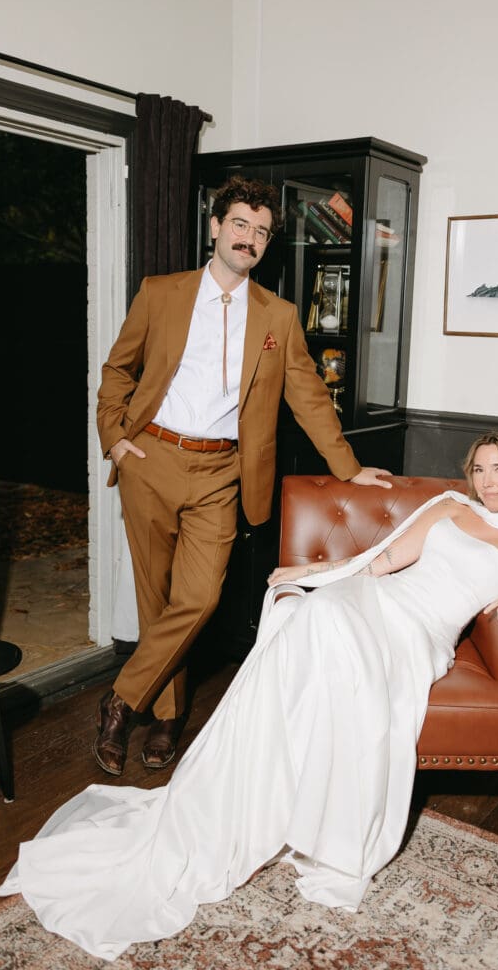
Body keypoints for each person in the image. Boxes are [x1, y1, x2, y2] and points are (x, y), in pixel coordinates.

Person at [0, 431, 498, 961]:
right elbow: (381, 561)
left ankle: (311, 813)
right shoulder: (449, 507)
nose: (486, 480)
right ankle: (260, 787)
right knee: (311, 610)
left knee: (325, 629)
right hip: (374, 601)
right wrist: (312, 573)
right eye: (479, 468)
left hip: (418, 633)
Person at [95, 175, 391, 776]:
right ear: (215, 227)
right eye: (239, 225)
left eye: (260, 232)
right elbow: (118, 369)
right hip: (150, 459)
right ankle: (169, 716)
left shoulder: (278, 314)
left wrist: (350, 469)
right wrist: (117, 441)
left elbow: (309, 396)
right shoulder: (162, 292)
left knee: (199, 597)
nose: (249, 239)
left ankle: (121, 701)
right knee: (157, 598)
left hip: (222, 471)